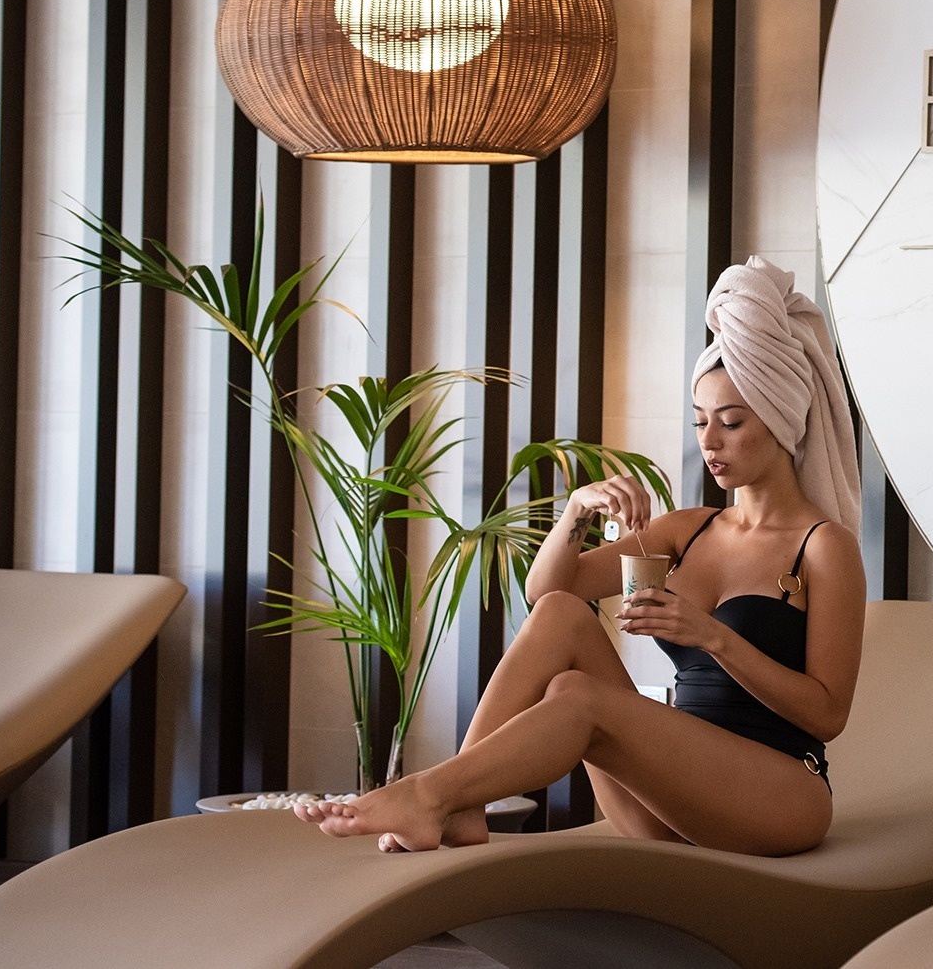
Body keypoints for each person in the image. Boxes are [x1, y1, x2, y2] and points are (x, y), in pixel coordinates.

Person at [296, 257, 865, 856]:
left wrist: (713, 637)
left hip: (778, 794)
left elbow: (827, 715)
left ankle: (427, 795)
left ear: (779, 420)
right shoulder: (688, 531)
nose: (709, 442)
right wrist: (576, 510)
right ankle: (461, 806)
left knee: (580, 696)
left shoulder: (823, 546)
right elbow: (547, 593)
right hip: (666, 798)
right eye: (700, 422)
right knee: (563, 622)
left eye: (730, 422)